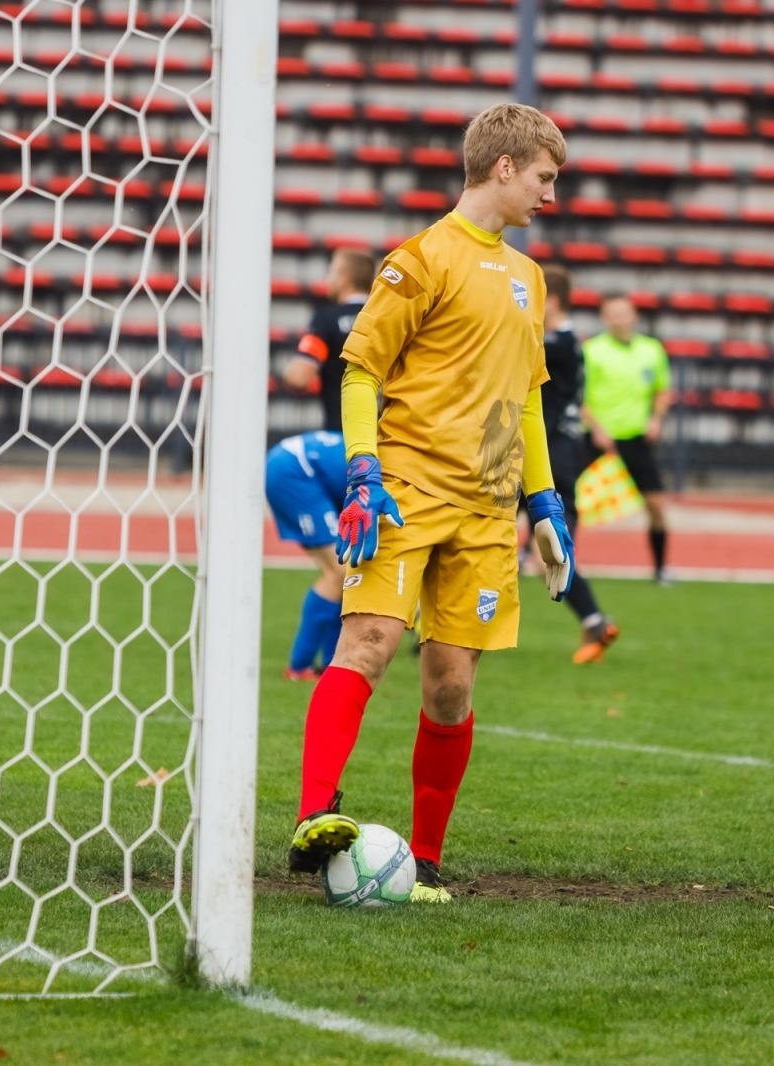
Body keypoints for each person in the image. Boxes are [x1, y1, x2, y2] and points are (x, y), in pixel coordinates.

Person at [284, 103, 575, 904]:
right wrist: (362, 472)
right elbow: (360, 372)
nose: (553, 195)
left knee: (451, 684)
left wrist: (543, 500)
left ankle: (426, 860)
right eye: (546, 177)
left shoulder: (530, 278)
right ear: (506, 166)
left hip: (486, 509)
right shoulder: (418, 260)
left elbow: (527, 400)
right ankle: (315, 816)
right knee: (370, 639)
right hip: (405, 490)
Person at [538, 265, 621, 663]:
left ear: (550, 301)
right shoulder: (568, 343)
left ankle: (594, 619)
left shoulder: (558, 342)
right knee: (539, 554)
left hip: (551, 456)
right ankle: (593, 619)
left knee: (548, 553)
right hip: (557, 452)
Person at [582, 294, 675, 584]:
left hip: (636, 439)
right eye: (612, 314)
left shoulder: (651, 350)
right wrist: (596, 428)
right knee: (558, 496)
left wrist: (656, 419)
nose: (619, 319)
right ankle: (531, 553)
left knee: (657, 506)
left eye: (624, 313)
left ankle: (660, 569)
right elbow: (577, 397)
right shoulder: (591, 351)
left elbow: (662, 389)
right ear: (604, 318)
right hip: (598, 439)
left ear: (634, 316)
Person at [263, 430, 349, 681]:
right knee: (340, 571)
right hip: (295, 471)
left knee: (344, 573)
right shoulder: (397, 467)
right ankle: (300, 666)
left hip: (294, 465)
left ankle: (332, 664)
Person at [281, 247, 376, 431]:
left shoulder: (327, 320)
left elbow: (299, 378)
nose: (327, 279)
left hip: (342, 437)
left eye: (331, 272)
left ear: (344, 280)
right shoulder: (388, 319)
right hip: (385, 441)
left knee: (282, 459)